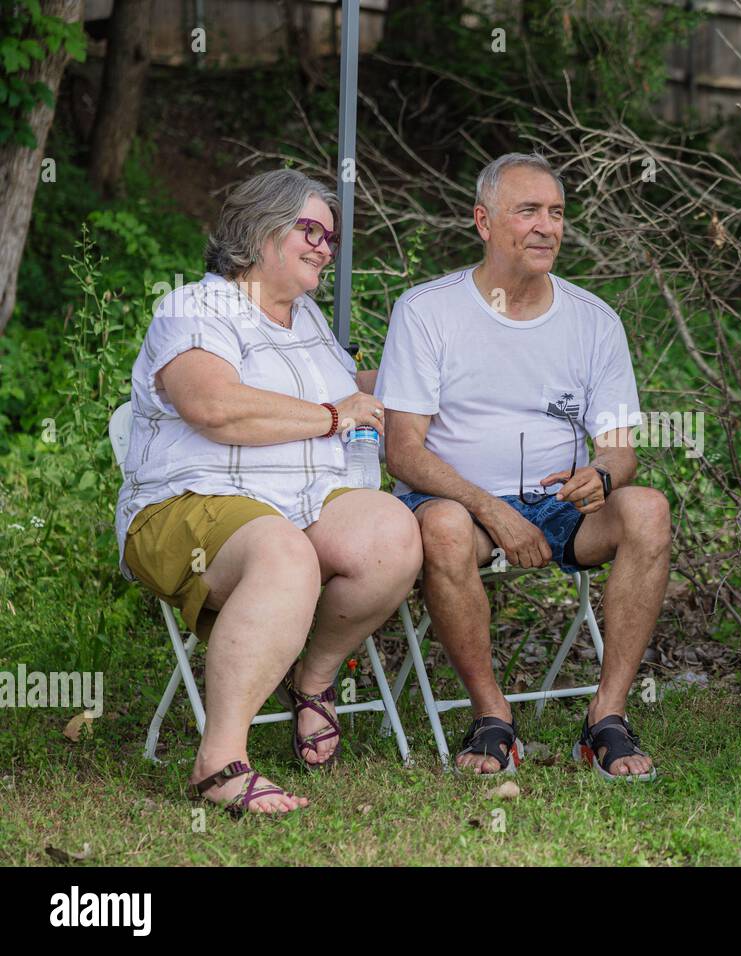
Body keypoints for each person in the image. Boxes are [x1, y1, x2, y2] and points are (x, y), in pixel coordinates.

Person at [115, 169, 423, 816]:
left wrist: (420, 375)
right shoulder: (196, 308)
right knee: (285, 555)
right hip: (187, 505)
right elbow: (213, 406)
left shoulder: (304, 317)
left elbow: (349, 387)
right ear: (258, 232)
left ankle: (313, 679)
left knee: (392, 534)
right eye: (309, 230)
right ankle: (219, 763)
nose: (324, 246)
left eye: (330, 237)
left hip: (300, 505)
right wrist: (332, 417)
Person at [378, 153, 671, 779]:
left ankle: (607, 718)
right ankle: (493, 718)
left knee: (647, 507)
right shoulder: (426, 311)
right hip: (459, 507)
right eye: (529, 211)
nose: (547, 227)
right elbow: (403, 451)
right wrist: (490, 509)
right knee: (446, 527)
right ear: (483, 221)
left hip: (560, 508)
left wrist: (605, 474)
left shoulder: (594, 320)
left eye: (558, 213)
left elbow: (621, 447)